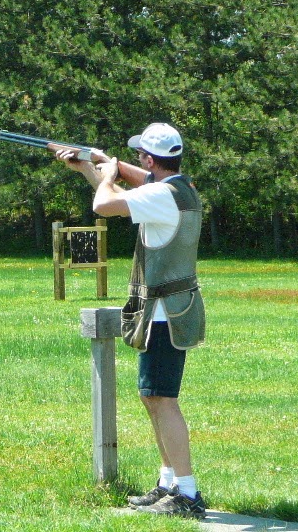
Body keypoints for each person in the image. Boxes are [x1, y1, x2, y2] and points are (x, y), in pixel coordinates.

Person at [56, 123, 207, 520]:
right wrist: (92, 168)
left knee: (163, 399)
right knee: (151, 395)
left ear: (148, 159)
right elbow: (124, 199)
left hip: (165, 315)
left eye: (140, 155)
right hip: (166, 311)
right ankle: (169, 483)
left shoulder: (161, 193)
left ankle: (187, 493)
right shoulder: (177, 190)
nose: (136, 159)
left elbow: (104, 206)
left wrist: (106, 172)